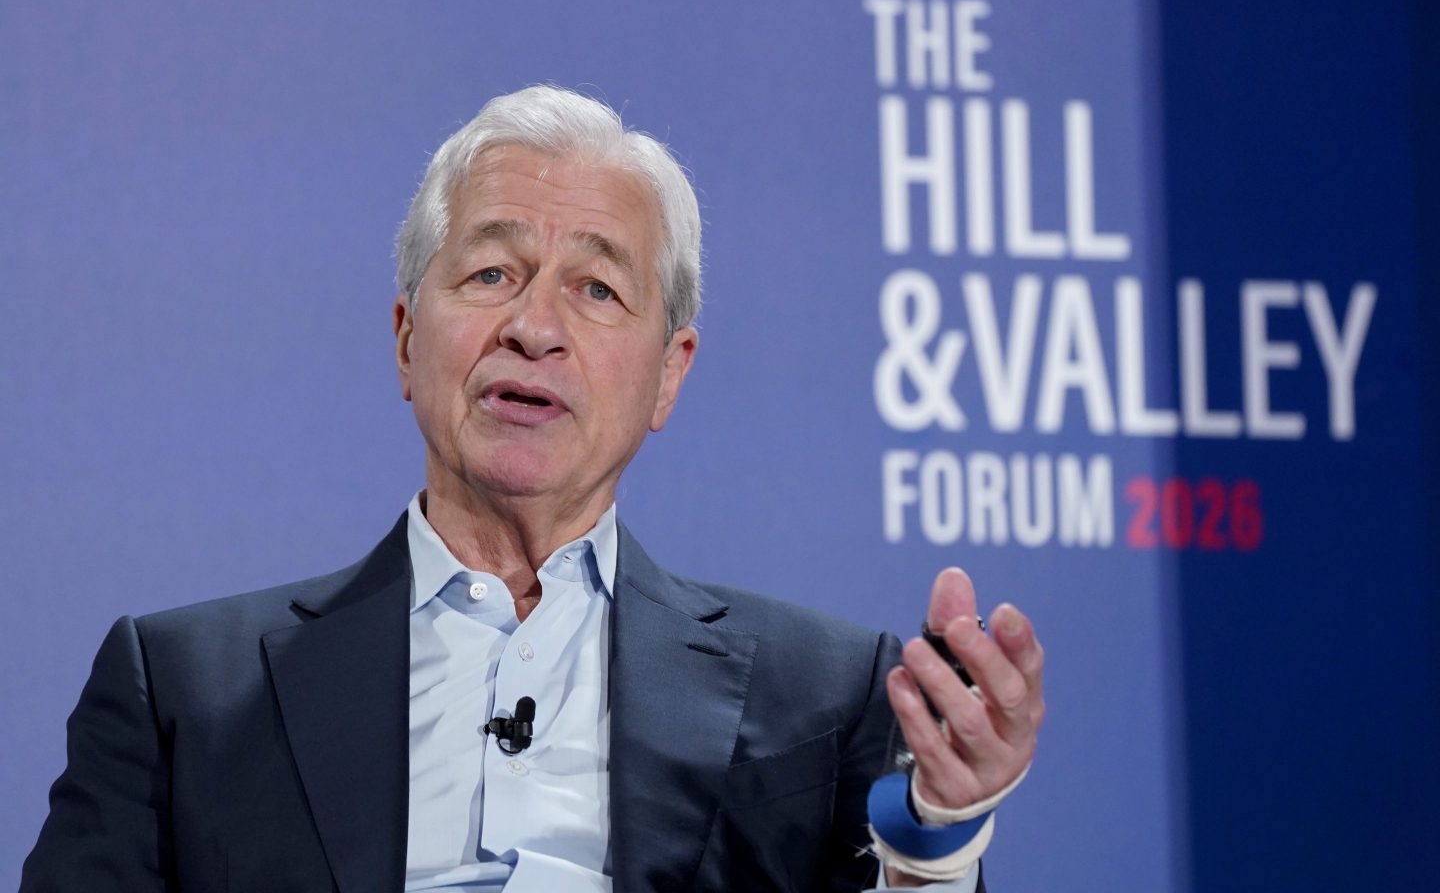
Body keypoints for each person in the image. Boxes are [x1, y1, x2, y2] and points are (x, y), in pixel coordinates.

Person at [21, 85, 1044, 892]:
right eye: (491, 275)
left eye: (597, 289)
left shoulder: (823, 696)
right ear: (407, 339)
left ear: (670, 372)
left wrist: (934, 845)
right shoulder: (185, 691)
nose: (535, 327)